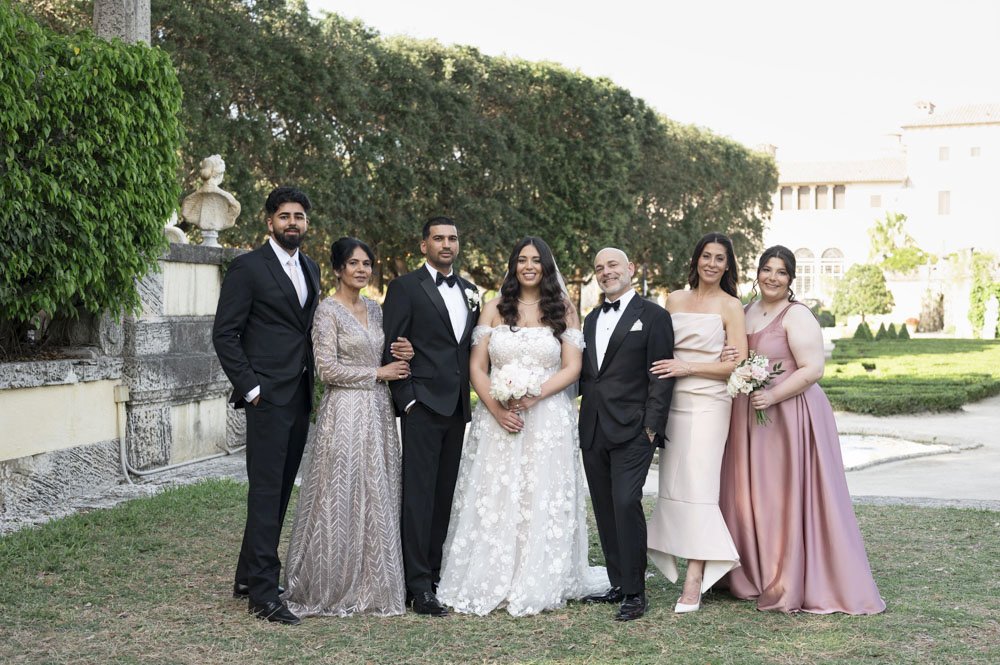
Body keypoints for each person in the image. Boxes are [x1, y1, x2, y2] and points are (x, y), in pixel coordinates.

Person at [437, 237, 608, 617]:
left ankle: (540, 574)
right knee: (497, 492)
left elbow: (572, 367)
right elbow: (477, 367)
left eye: (536, 260)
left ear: (547, 266)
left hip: (547, 418)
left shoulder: (562, 308)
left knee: (538, 493)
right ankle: (495, 571)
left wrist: (535, 396)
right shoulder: (495, 308)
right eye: (522, 260)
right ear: (513, 265)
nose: (529, 266)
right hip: (498, 417)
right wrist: (495, 408)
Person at [719, 245, 886, 614]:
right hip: (753, 414)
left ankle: (792, 576)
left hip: (792, 415)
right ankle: (757, 572)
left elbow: (812, 369)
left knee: (788, 494)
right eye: (766, 269)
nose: (772, 277)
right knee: (756, 495)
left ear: (791, 279)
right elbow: (736, 355)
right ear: (757, 272)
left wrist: (774, 394)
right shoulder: (745, 312)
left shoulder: (797, 315)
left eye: (781, 272)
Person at [280, 238, 413, 617]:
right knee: (340, 491)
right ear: (338, 269)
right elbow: (327, 370)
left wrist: (404, 354)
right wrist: (378, 372)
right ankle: (328, 581)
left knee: (376, 490)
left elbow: (388, 353)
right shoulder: (327, 312)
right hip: (344, 411)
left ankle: (373, 582)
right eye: (353, 263)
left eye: (366, 263)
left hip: (377, 413)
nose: (361, 269)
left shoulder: (375, 308)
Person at [212, 186, 321, 625]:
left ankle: (246, 575)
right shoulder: (247, 267)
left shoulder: (310, 268)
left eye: (299, 216)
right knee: (265, 491)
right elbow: (225, 333)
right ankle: (263, 593)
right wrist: (252, 388)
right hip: (266, 398)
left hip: (299, 395)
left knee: (278, 490)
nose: (292, 223)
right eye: (284, 216)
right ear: (269, 221)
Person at [381, 216, 479, 617]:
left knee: (443, 495)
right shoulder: (405, 288)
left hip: (456, 408)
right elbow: (390, 346)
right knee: (418, 497)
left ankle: (436, 576)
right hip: (422, 405)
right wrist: (407, 401)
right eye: (438, 238)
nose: (446, 244)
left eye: (452, 238)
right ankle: (417, 585)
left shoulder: (472, 291)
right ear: (424, 245)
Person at [646, 232, 747, 613]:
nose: (712, 264)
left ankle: (695, 579)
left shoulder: (731, 306)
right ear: (696, 259)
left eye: (720, 258)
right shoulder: (674, 299)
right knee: (673, 483)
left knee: (700, 486)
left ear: (727, 265)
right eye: (706, 256)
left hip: (709, 403)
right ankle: (675, 554)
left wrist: (690, 365)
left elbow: (736, 364)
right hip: (673, 402)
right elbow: (660, 349)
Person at [578, 248, 675, 622]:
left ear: (631, 269)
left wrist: (652, 425)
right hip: (593, 427)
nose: (606, 272)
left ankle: (635, 592)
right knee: (604, 507)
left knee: (624, 502)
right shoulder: (589, 319)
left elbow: (662, 374)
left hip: (634, 429)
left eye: (613, 265)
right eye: (599, 268)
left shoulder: (654, 316)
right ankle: (617, 582)